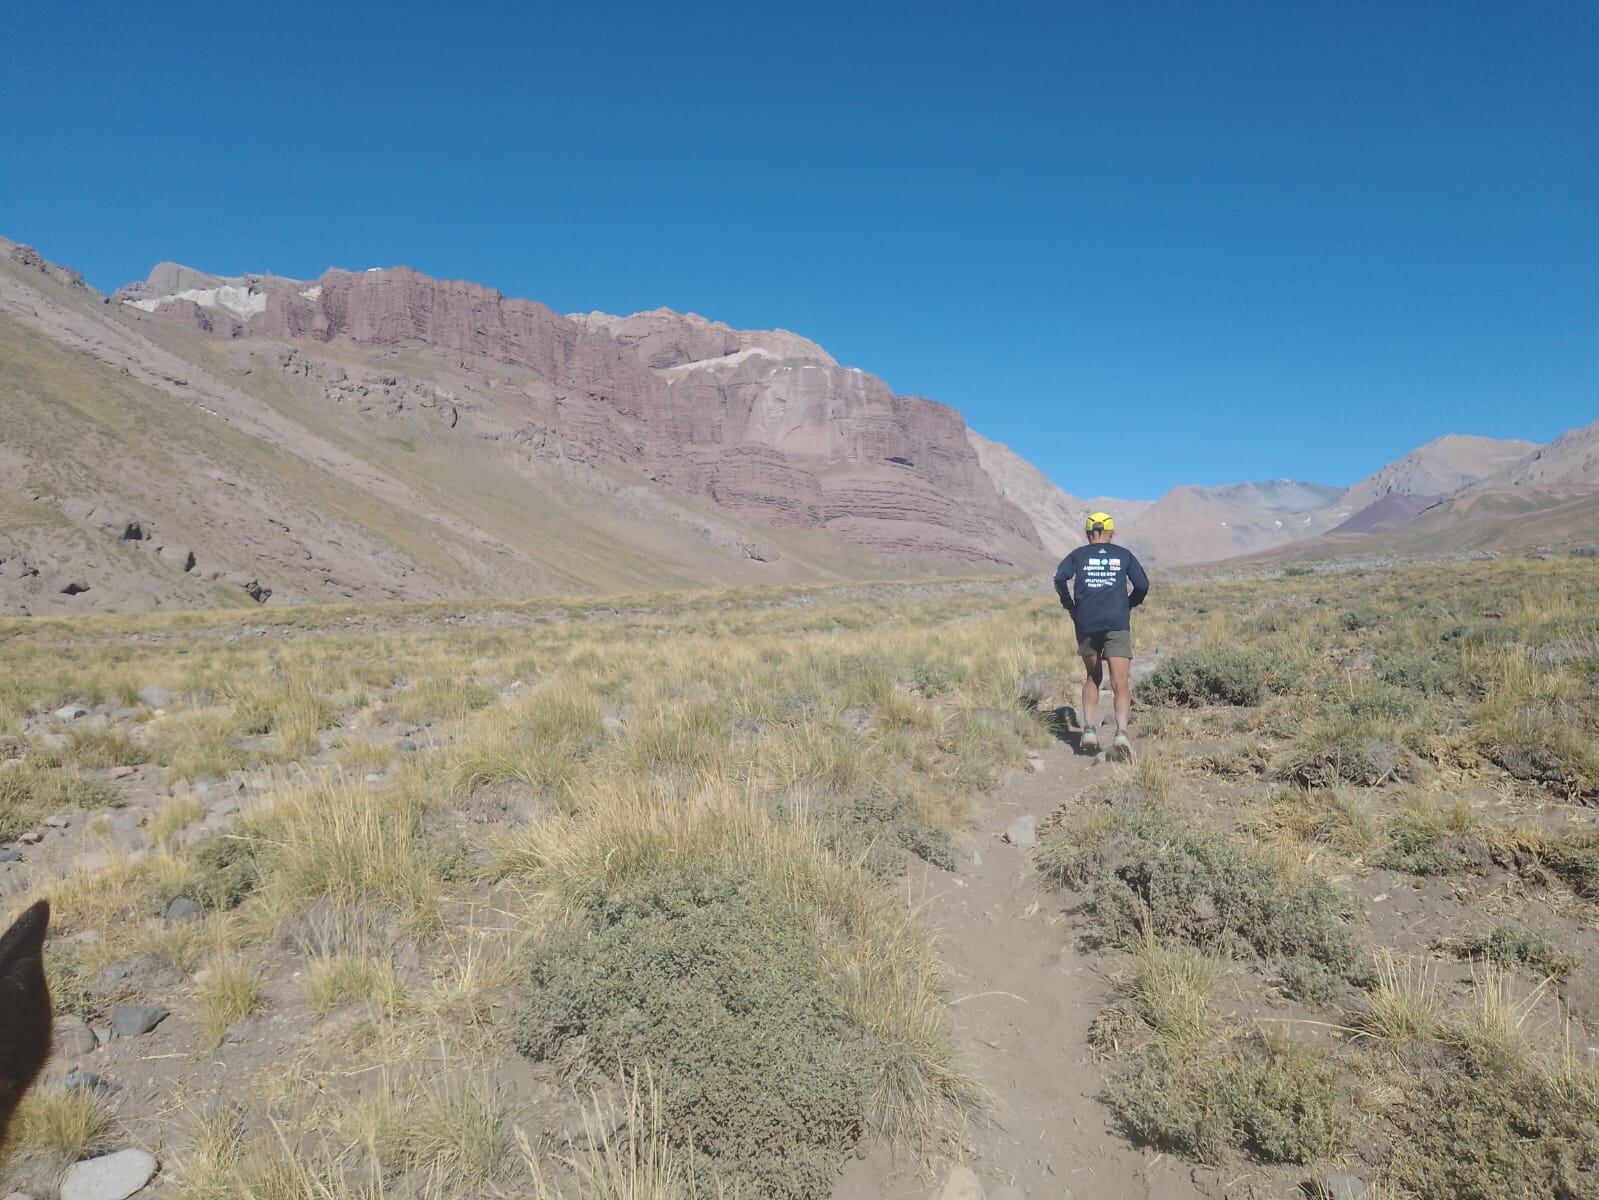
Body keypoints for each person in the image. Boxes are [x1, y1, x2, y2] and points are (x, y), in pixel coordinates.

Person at [1053, 512, 1149, 758]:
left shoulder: (1078, 555)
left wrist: (1070, 604)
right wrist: (1129, 604)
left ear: (1088, 533)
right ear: (1111, 533)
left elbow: (1059, 578)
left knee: (1092, 677)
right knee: (1120, 682)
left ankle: (1088, 730)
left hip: (1086, 622)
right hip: (1116, 623)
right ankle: (1121, 734)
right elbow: (1142, 585)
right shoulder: (1123, 555)